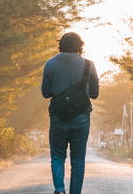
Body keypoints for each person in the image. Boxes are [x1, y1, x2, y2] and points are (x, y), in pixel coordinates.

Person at [41, 32, 99, 194]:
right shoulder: (89, 65)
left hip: (58, 117)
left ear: (60, 45)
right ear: (80, 46)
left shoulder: (50, 64)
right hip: (81, 118)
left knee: (58, 156)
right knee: (78, 160)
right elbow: (94, 94)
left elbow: (46, 92)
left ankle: (59, 190)